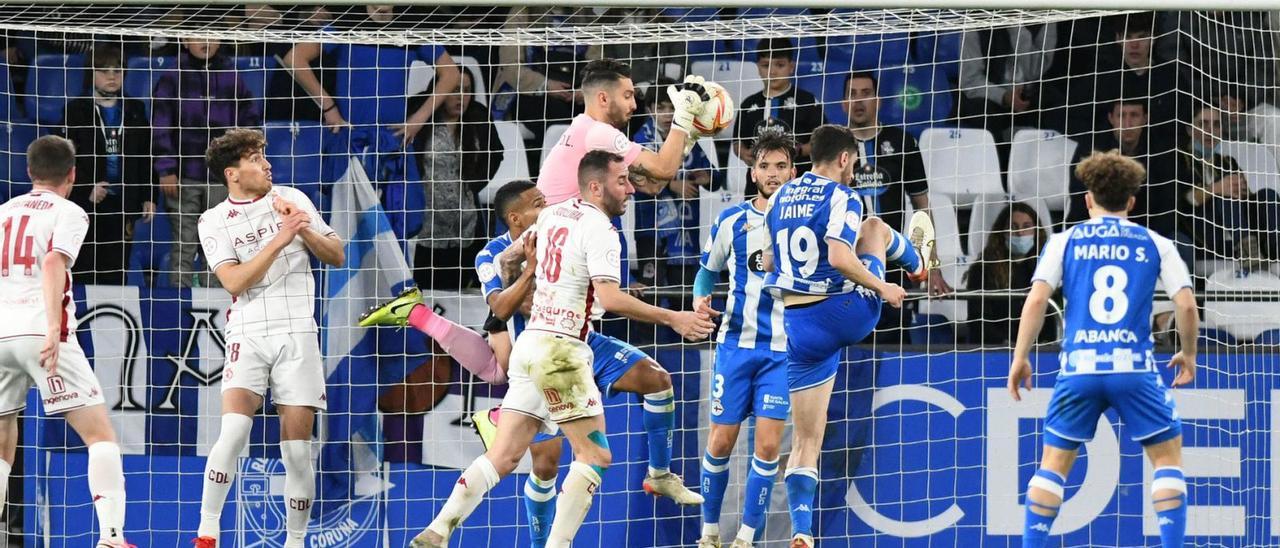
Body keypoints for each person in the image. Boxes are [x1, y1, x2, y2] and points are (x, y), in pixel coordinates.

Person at [401, 151, 714, 548]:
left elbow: (507, 257)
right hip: (562, 351)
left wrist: (524, 271)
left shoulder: (552, 216)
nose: (630, 188)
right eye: (622, 181)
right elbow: (610, 299)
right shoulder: (599, 228)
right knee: (594, 456)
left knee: (504, 455)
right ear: (596, 186)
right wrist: (674, 318)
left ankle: (438, 529)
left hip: (532, 347)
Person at [1007, 149, 1198, 548]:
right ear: (1131, 201)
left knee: (1053, 467)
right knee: (1167, 461)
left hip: (1079, 369)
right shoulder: (1156, 243)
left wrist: (1021, 356)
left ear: (1088, 199)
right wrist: (1188, 352)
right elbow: (1184, 304)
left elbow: (1037, 301)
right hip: (1133, 368)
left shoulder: (1064, 241)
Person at [763, 124, 931, 548]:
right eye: (854, 163)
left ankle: (802, 531)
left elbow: (767, 259)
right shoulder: (844, 196)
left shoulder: (780, 195)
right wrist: (883, 287)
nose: (853, 170)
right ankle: (917, 263)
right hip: (844, 313)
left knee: (805, 440)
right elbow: (839, 256)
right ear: (844, 159)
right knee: (874, 227)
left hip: (798, 328)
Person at [192, 129, 345, 548]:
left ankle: (295, 542)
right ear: (233, 174)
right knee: (234, 433)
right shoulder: (214, 220)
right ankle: (207, 532)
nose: (266, 164)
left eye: (264, 155)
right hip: (248, 331)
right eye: (256, 159)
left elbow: (336, 254)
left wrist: (301, 226)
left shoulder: (293, 197)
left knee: (297, 451)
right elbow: (234, 280)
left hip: (298, 331)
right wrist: (282, 236)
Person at [0, 135, 130, 547]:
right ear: (72, 175)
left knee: (2, 439)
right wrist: (55, 327)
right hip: (41, 332)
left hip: (1, 333)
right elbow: (55, 260)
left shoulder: (2, 211)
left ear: (28, 172)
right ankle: (111, 537)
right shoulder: (70, 211)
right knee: (100, 436)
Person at [693, 128, 794, 548]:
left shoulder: (807, 224)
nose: (773, 174)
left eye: (781, 166)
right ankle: (710, 532)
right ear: (753, 173)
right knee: (720, 441)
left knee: (768, 448)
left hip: (783, 353)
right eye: (765, 166)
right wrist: (701, 301)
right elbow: (706, 272)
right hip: (735, 347)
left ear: (794, 171)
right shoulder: (731, 221)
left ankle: (746, 538)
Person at [282, 3, 461, 240]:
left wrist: (418, 119)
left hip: (392, 144)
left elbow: (451, 73)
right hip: (349, 142)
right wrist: (329, 106)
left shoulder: (409, 29)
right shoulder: (345, 25)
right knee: (345, 230)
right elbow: (294, 58)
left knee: (392, 233)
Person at [152, 34, 263, 288]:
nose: (206, 42)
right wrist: (166, 168)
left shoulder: (231, 74)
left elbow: (250, 122)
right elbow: (160, 126)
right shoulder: (173, 76)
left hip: (222, 178)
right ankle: (178, 309)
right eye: (199, 35)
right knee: (184, 245)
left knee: (220, 246)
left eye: (212, 36)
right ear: (184, 40)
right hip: (183, 176)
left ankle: (216, 307)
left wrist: (240, 165)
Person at [536, 58, 703, 207]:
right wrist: (683, 115)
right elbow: (663, 168)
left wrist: (688, 138)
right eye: (627, 96)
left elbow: (653, 186)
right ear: (603, 99)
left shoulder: (585, 127)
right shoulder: (599, 133)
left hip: (564, 227)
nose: (634, 105)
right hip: (565, 230)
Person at [62, 43, 155, 286]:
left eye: (118, 70)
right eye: (104, 70)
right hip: (88, 202)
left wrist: (149, 195)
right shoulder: (76, 110)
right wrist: (86, 188)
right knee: (84, 266)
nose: (112, 76)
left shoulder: (135, 109)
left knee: (117, 268)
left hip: (123, 201)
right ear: (91, 74)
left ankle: (112, 321)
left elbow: (146, 155)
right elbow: (67, 158)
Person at [414, 69, 503, 291]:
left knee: (458, 290)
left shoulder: (478, 117)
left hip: (465, 222)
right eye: (454, 90)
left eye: (466, 90)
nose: (461, 96)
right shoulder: (421, 118)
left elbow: (495, 154)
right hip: (427, 221)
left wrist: (474, 186)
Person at [734, 38, 825, 188]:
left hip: (798, 184)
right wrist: (743, 153)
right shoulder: (748, 104)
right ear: (758, 67)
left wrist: (799, 150)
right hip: (756, 187)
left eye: (780, 65)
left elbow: (822, 141)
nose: (772, 71)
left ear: (791, 66)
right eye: (765, 65)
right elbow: (738, 142)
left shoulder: (807, 100)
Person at [963, 201, 1056, 346]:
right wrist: (1006, 344)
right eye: (1013, 227)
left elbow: (1051, 319)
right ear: (1002, 232)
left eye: (1026, 227)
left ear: (1036, 232)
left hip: (1039, 350)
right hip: (995, 350)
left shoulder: (1045, 270)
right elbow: (979, 321)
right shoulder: (982, 270)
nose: (1020, 233)